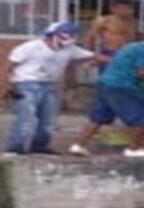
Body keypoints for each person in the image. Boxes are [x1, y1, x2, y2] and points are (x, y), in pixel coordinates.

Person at [69, 25, 144, 158]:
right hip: (123, 85)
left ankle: (78, 145)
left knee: (98, 117)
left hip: (105, 82)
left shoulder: (133, 46)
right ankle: (134, 149)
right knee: (141, 117)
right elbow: (143, 73)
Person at [1, 22, 94, 155]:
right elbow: (8, 66)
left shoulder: (69, 49)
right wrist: (6, 86)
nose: (72, 36)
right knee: (25, 117)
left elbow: (93, 56)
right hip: (26, 83)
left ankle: (40, 146)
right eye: (68, 33)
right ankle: (15, 147)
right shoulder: (30, 47)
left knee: (48, 119)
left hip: (49, 85)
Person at [83, 0, 138, 69]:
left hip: (126, 53)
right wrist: (90, 54)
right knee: (108, 76)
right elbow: (90, 36)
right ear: (113, 9)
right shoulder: (104, 20)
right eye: (123, 8)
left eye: (129, 8)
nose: (126, 11)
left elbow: (132, 38)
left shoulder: (132, 22)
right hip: (109, 52)